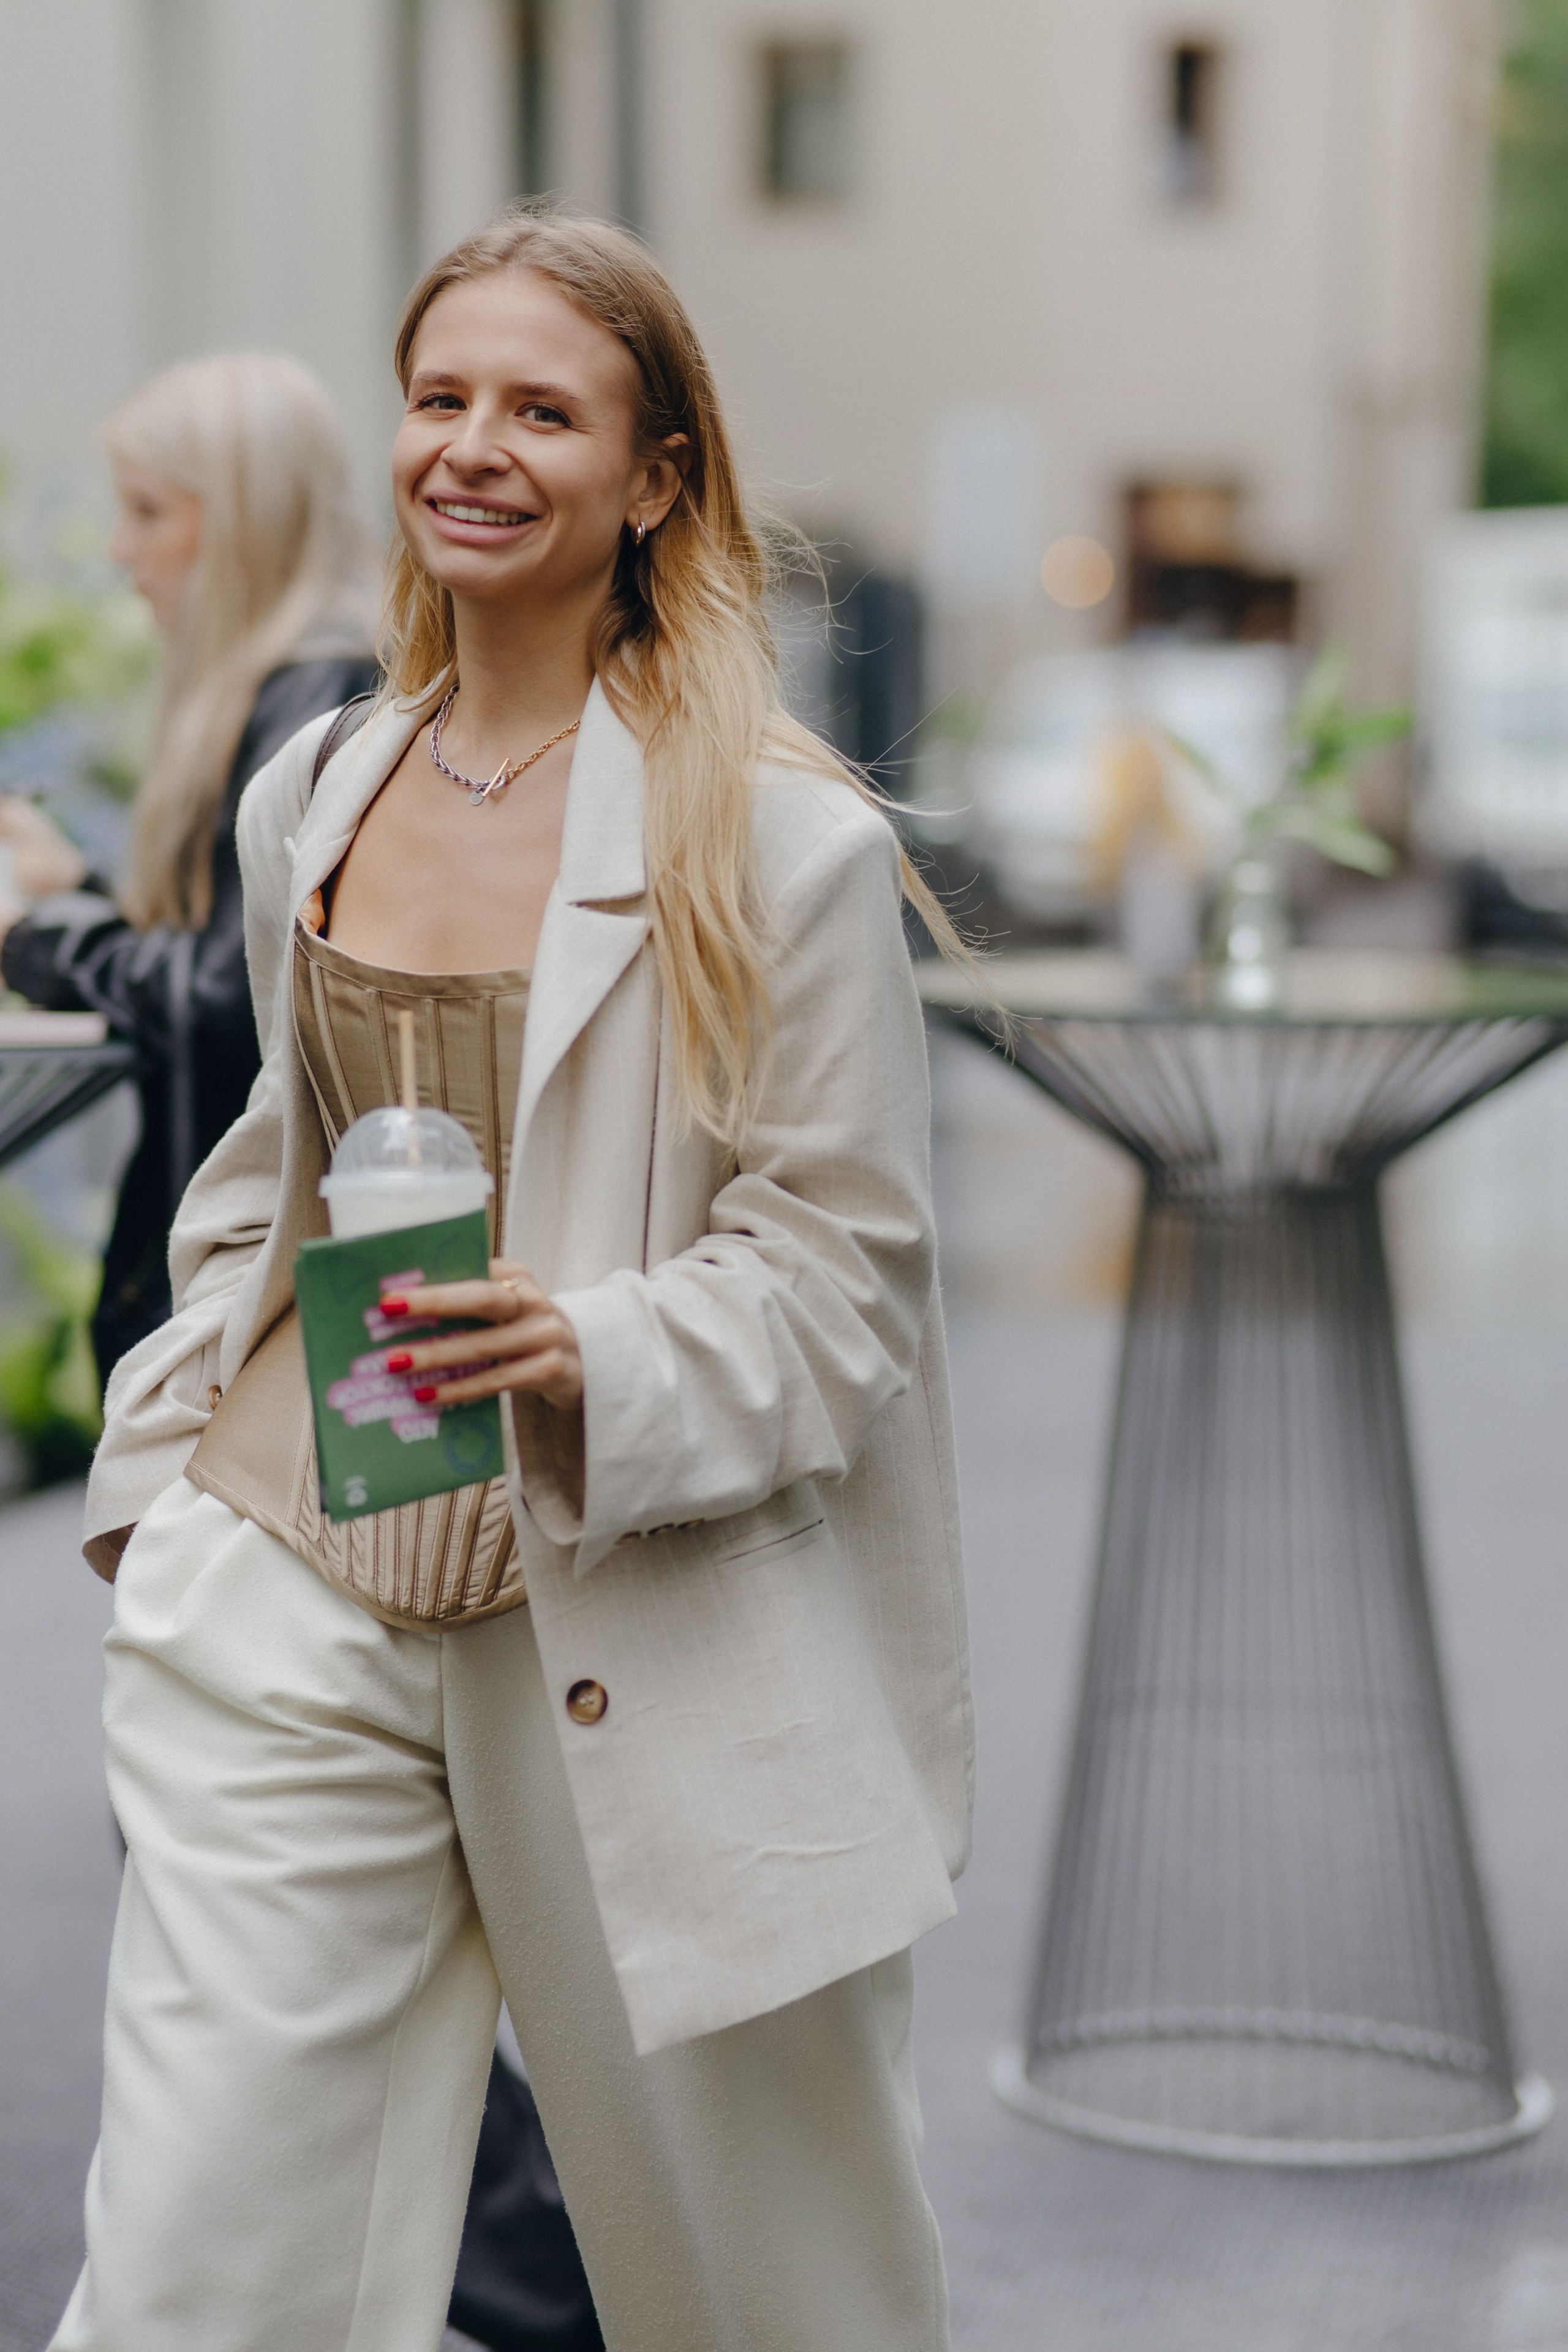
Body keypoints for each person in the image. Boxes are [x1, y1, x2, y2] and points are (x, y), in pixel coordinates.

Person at [55, 209, 974, 2352]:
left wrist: (596, 1352)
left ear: (656, 478)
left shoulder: (775, 844)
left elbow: (847, 1280)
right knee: (206, 2254)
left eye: (542, 410)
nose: (471, 446)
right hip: (290, 1571)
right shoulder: (320, 786)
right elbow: (265, 1160)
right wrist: (178, 1452)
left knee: (769, 2277)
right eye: (441, 397)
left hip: (643, 1607)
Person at [0, 353, 379, 1383]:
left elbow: (227, 1005)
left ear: (242, 520)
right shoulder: (305, 687)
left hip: (252, 1295)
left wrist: (35, 938)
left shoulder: (314, 699)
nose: (122, 550)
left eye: (149, 511)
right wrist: (72, 892)